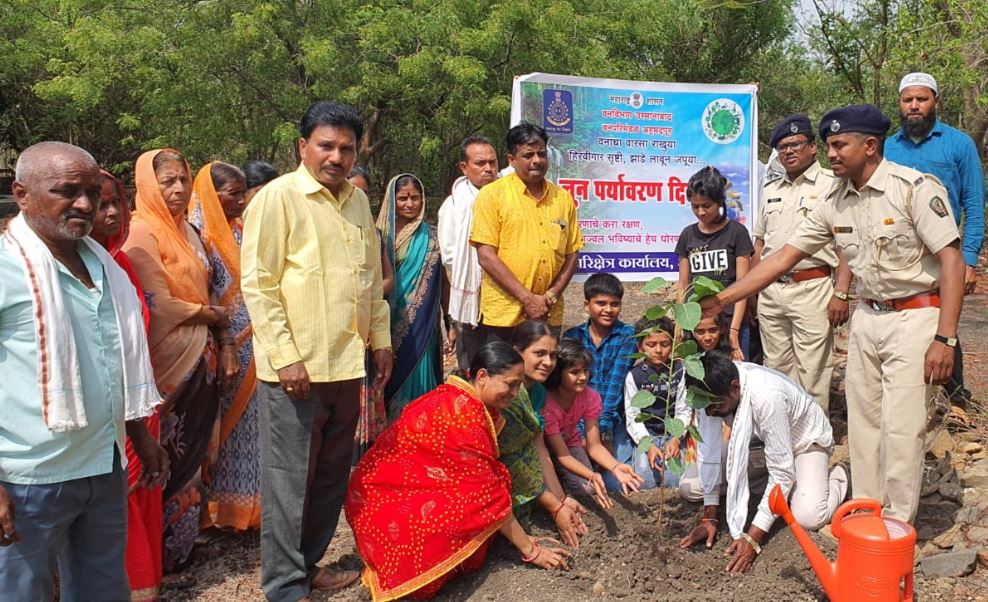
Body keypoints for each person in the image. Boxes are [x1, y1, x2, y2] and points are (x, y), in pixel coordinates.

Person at [701, 104, 965, 523]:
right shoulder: (835, 200)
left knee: (901, 429)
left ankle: (895, 526)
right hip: (868, 318)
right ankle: (866, 511)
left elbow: (951, 261)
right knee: (862, 425)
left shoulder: (913, 189)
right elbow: (782, 257)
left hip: (915, 318)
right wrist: (720, 300)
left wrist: (945, 337)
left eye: (840, 145)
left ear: (871, 145)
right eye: (829, 146)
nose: (833, 154)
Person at [241, 100, 393, 601]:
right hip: (296, 370)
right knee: (289, 483)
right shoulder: (278, 198)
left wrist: (381, 339)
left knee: (330, 474)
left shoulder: (356, 202)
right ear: (302, 147)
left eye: (346, 148)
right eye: (326, 145)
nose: (336, 156)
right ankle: (284, 586)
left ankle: (308, 565)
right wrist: (285, 356)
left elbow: (369, 280)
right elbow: (259, 284)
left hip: (347, 365)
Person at [0, 141, 166, 600]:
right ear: (22, 194)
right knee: (19, 592)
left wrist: (140, 435)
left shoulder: (105, 267)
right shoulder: (7, 269)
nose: (86, 204)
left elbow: (114, 360)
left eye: (93, 191)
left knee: (102, 588)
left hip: (103, 464)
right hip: (28, 477)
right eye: (66, 191)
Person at [345, 342, 572, 601]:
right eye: (510, 384)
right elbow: (490, 499)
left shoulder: (464, 398)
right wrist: (532, 550)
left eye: (519, 385)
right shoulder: (465, 418)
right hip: (382, 498)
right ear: (482, 377)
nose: (515, 392)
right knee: (477, 502)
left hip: (388, 487)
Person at [123, 148, 235, 571]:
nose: (177, 188)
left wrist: (218, 333)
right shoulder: (141, 232)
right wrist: (209, 314)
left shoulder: (187, 230)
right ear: (148, 185)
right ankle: (158, 551)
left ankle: (182, 543)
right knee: (165, 452)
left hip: (201, 354)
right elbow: (159, 304)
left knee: (193, 452)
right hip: (166, 361)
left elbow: (206, 286)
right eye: (167, 181)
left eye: (182, 180)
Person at [676, 351, 850, 574]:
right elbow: (708, 451)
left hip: (803, 445)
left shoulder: (767, 396)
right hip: (755, 446)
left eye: (714, 406)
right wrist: (709, 516)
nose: (710, 412)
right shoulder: (709, 390)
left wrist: (753, 538)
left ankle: (841, 474)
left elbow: (782, 472)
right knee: (690, 487)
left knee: (808, 515)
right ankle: (777, 487)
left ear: (735, 388)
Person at [885, 72, 985, 413]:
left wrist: (968, 258)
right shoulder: (886, 148)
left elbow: (973, 201)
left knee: (946, 319)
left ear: (935, 102)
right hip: (897, 258)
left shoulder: (959, 145)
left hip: (944, 253)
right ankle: (904, 395)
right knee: (904, 319)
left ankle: (953, 398)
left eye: (921, 98)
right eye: (907, 99)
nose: (914, 105)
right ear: (899, 103)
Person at [90, 169, 161, 600]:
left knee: (141, 491)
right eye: (101, 204)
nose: (112, 212)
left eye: (117, 201)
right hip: (101, 409)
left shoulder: (120, 264)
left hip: (138, 402)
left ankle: (146, 581)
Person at [754, 115, 851, 411]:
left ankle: (815, 443)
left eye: (796, 144)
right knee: (776, 368)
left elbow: (846, 243)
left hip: (813, 286)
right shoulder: (770, 188)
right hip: (771, 292)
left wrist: (842, 292)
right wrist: (757, 287)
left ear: (813, 147)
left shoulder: (833, 184)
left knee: (813, 370)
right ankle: (782, 434)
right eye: (782, 147)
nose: (789, 151)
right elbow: (760, 241)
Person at [188, 162, 262, 533]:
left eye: (242, 191)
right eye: (232, 192)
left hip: (254, 345)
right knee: (220, 430)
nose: (240, 199)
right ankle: (213, 510)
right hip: (223, 346)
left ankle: (246, 510)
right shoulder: (198, 236)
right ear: (210, 194)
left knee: (249, 430)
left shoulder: (240, 230)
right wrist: (226, 341)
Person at [470, 122, 583, 343]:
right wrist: (528, 299)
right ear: (511, 159)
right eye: (528, 154)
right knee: (504, 376)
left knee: (543, 375)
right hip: (505, 316)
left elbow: (572, 253)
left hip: (548, 313)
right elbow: (486, 255)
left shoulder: (563, 198)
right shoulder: (492, 195)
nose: (537, 160)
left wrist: (550, 296)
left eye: (541, 153)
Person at [498, 320, 588, 547]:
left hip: (525, 475)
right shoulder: (507, 395)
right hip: (499, 478)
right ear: (517, 352)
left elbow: (539, 449)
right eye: (539, 353)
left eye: (553, 355)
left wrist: (561, 499)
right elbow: (513, 460)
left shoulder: (537, 391)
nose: (548, 362)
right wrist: (554, 507)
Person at [376, 173, 447, 421]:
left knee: (419, 375)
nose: (409, 204)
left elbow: (444, 283)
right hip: (383, 323)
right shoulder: (379, 235)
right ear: (392, 200)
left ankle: (422, 433)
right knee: (386, 376)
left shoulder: (433, 237)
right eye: (403, 198)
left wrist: (451, 324)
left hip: (422, 325)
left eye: (415, 198)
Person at [543, 340, 644, 508]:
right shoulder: (547, 404)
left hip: (569, 443)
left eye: (585, 370)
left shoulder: (589, 397)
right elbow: (562, 455)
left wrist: (616, 466)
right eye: (574, 372)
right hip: (545, 450)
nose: (583, 377)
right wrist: (591, 474)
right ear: (557, 373)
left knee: (588, 490)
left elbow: (594, 446)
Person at [561, 272, 637, 489]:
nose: (608, 309)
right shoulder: (573, 337)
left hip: (611, 419)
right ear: (587, 305)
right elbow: (569, 390)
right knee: (583, 481)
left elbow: (615, 386)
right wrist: (583, 433)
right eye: (601, 303)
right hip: (576, 421)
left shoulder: (627, 336)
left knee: (615, 483)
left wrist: (603, 432)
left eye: (615, 304)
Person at [675, 165, 754, 360]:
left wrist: (734, 331)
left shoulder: (737, 233)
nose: (700, 212)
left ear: (719, 201)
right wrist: (680, 326)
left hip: (729, 322)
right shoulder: (687, 235)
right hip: (697, 326)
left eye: (706, 205)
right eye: (695, 206)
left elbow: (743, 286)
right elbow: (683, 286)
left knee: (734, 379)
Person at [437, 136, 499, 371]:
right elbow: (450, 255)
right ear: (464, 167)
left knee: (502, 365)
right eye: (480, 163)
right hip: (472, 299)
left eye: (492, 163)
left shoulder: (508, 196)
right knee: (473, 365)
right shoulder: (453, 206)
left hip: (507, 297)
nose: (488, 169)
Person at [623, 316, 685, 490]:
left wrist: (676, 439)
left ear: (672, 345)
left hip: (673, 432)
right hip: (647, 432)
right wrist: (648, 445)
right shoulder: (635, 376)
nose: (658, 350)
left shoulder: (679, 371)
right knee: (645, 480)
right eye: (651, 345)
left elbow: (683, 409)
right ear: (640, 347)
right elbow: (633, 415)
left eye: (665, 344)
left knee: (674, 481)